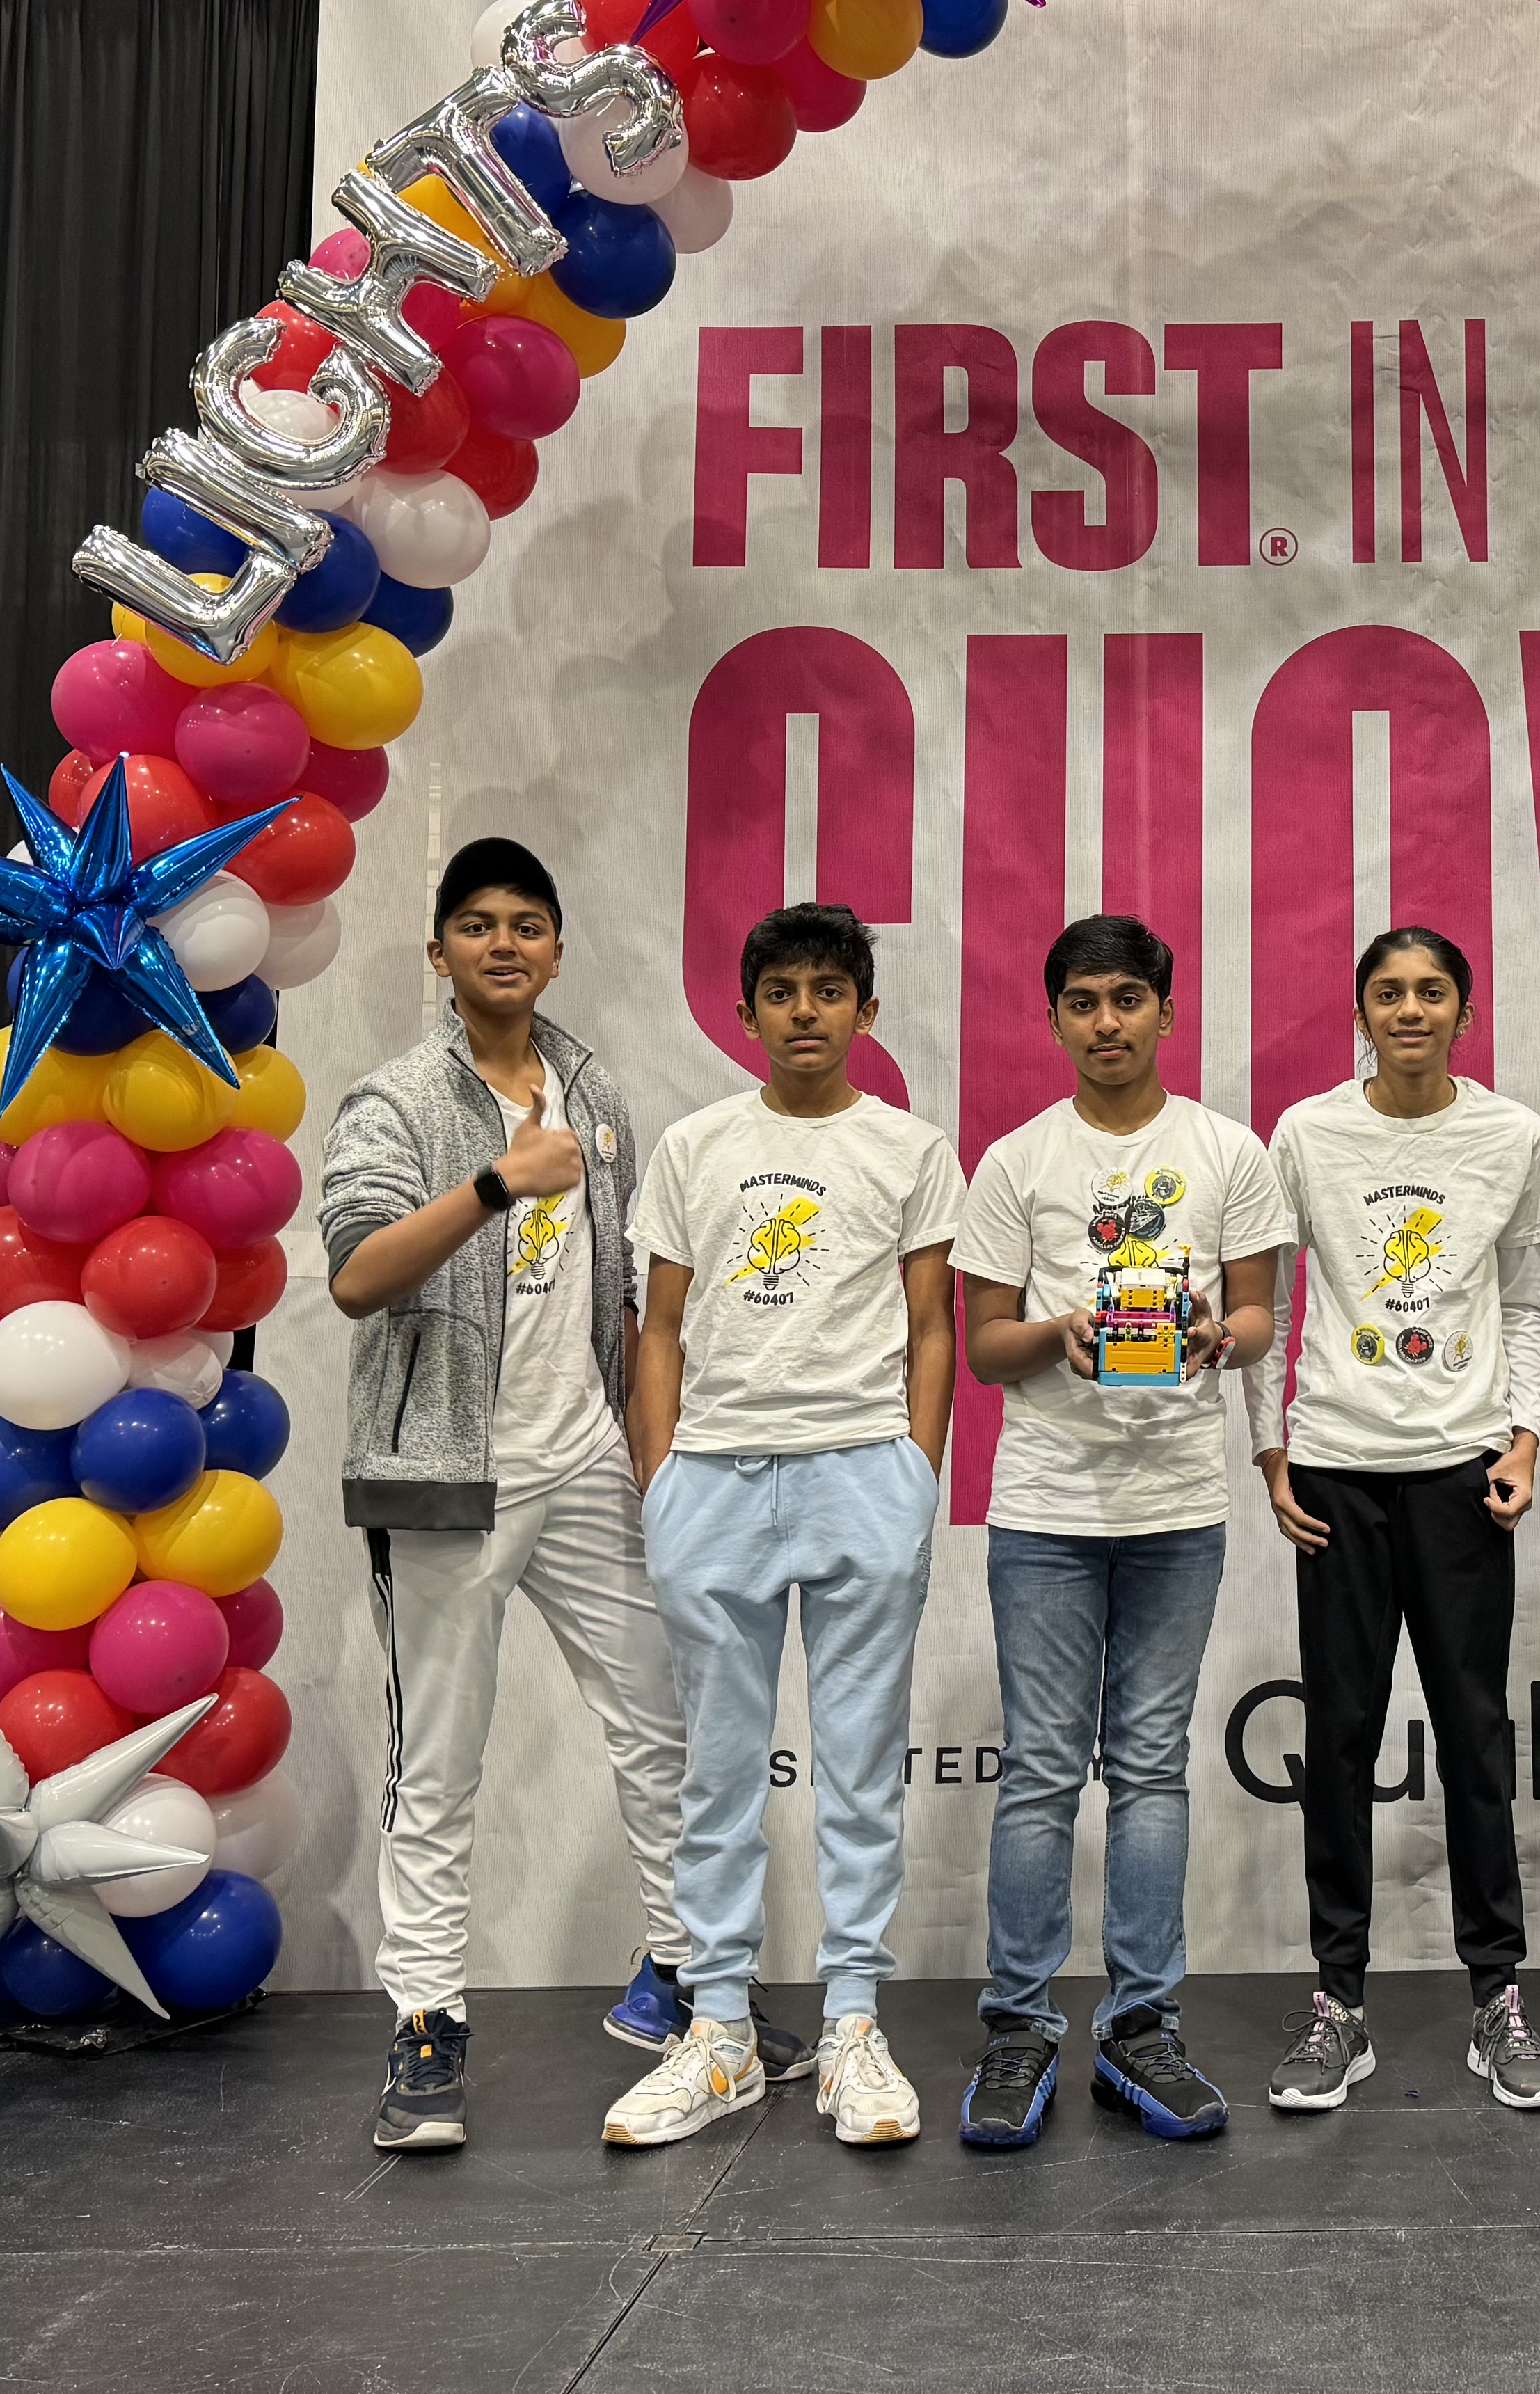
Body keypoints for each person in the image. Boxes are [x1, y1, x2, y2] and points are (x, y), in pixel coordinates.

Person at [321, 839, 713, 2155]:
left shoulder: (594, 1091)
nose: (505, 944)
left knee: (663, 1727)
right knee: (438, 1768)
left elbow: (620, 1290)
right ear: (439, 953)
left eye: (529, 925)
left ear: (556, 948)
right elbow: (358, 1279)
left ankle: (686, 1982)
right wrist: (492, 1185)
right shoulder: (392, 1101)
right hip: (446, 1474)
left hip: (583, 1452)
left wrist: (643, 1441)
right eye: (477, 925)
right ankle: (427, 2026)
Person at [600, 902, 964, 2154]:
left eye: (829, 990)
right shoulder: (696, 1146)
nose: (805, 1011)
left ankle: (854, 2022)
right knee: (717, 1773)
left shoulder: (912, 1149)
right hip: (714, 1479)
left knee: (862, 1769)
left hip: (863, 1470)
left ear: (866, 1010)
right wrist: (662, 1477)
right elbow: (658, 1328)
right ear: (746, 1010)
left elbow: (932, 1329)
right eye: (782, 991)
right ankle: (720, 2034)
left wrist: (915, 1471)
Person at [948, 914, 1283, 2150]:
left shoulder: (1228, 1151)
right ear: (1053, 1020)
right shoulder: (1015, 1163)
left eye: (1127, 1000)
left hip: (1179, 1504)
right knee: (1040, 1773)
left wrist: (1213, 1336)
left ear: (1165, 1012)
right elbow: (985, 1348)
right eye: (1083, 1002)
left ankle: (1142, 2028)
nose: (1106, 1023)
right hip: (1043, 1505)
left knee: (1149, 1771)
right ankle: (1018, 2028)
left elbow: (1257, 1315)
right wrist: (1060, 1337)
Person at [1248, 927, 1540, 2112]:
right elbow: (1270, 1304)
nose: (1410, 1010)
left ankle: (1499, 2004)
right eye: (1388, 993)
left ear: (1465, 1013)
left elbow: (1528, 1305)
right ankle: (1341, 2007)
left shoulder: (1511, 1135)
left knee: (1477, 1737)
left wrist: (1523, 1438)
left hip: (1459, 1473)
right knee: (1338, 1742)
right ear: (1361, 1013)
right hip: (1335, 1470)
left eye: (1432, 992)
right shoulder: (1309, 1133)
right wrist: (1271, 1447)